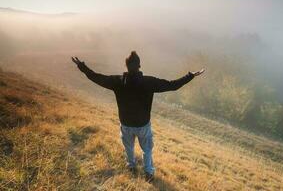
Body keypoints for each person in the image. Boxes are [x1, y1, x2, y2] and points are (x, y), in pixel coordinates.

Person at [71, 51, 205, 182]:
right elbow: (172, 85)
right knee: (147, 150)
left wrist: (81, 66)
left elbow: (96, 77)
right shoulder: (149, 82)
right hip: (143, 125)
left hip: (126, 124)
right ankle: (148, 173)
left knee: (129, 148)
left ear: (126, 66)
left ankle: (131, 167)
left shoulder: (118, 81)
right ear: (139, 66)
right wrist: (190, 76)